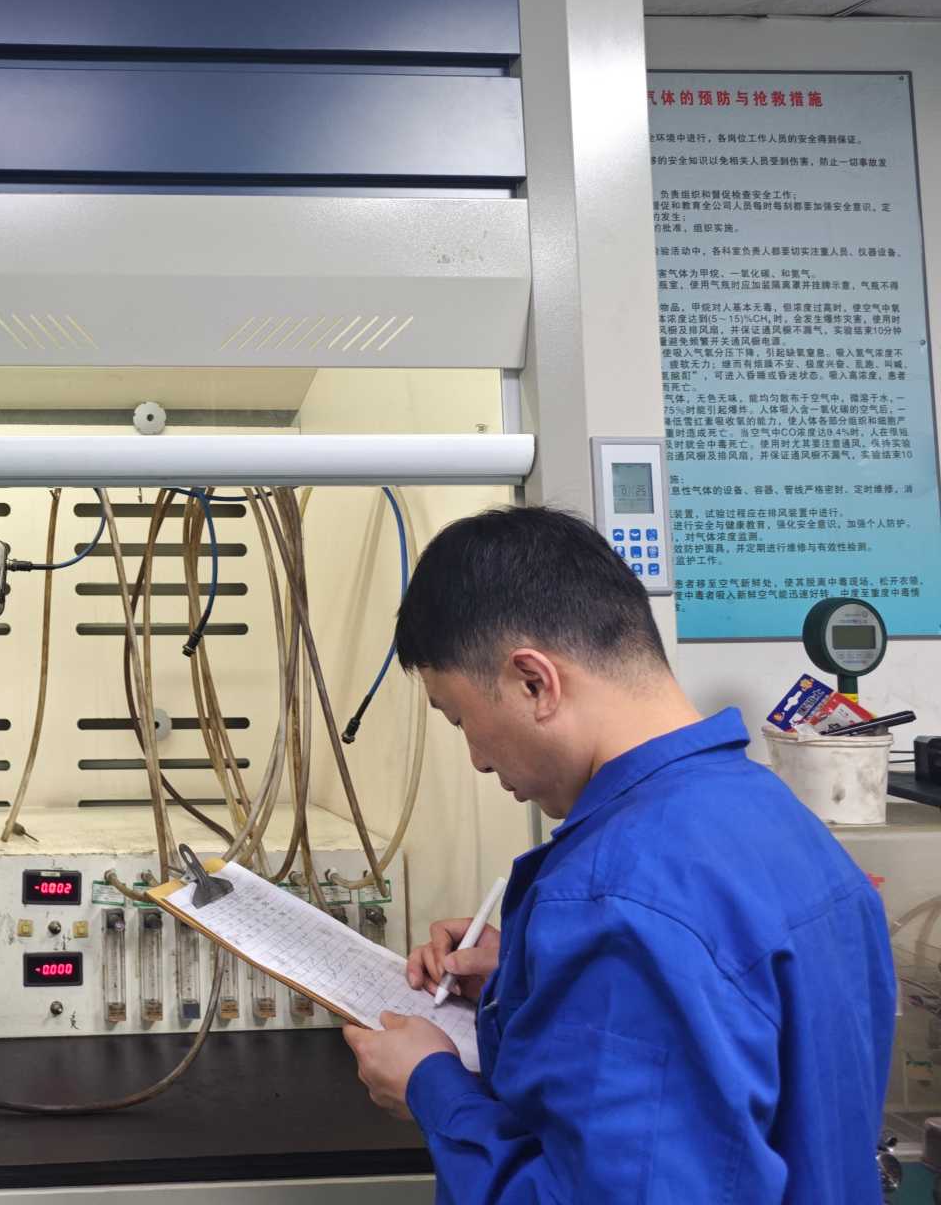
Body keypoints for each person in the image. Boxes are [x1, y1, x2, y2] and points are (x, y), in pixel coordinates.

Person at [342, 505, 894, 1202]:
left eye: (460, 719)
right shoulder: (784, 822)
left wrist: (433, 1088)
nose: (477, 758)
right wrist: (528, 983)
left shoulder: (617, 901)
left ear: (534, 682)